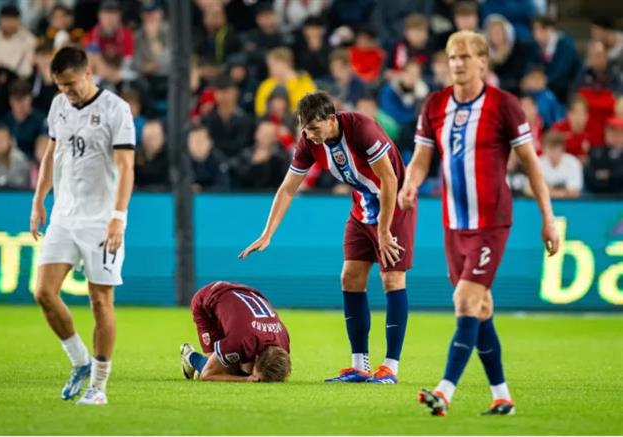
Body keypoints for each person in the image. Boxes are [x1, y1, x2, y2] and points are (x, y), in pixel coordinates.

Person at [399, 31, 559, 416]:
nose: (457, 63)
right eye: (452, 56)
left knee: (465, 300)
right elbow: (423, 158)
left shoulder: (504, 106)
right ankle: (501, 394)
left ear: (483, 63)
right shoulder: (435, 105)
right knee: (480, 307)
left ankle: (445, 391)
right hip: (454, 224)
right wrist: (409, 185)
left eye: (465, 57)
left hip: (492, 221)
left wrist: (548, 218)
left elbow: (532, 165)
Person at [240, 91, 416, 384]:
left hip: (393, 206)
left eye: (315, 128)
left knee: (392, 279)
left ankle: (390, 367)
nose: (310, 135)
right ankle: (360, 365)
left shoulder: (362, 129)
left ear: (331, 119)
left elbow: (389, 179)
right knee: (350, 277)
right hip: (361, 208)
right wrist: (267, 233)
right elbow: (287, 188)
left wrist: (384, 230)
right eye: (305, 129)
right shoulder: (309, 142)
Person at [29, 47, 135, 406]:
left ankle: (99, 386)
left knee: (100, 301)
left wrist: (118, 218)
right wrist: (39, 198)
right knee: (43, 292)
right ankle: (79, 361)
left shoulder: (116, 110)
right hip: (64, 215)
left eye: (71, 85)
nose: (67, 92)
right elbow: (51, 153)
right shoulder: (59, 106)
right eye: (60, 86)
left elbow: (126, 167)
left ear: (88, 73)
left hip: (100, 221)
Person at [180, 280, 291, 382]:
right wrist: (246, 379)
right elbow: (207, 375)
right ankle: (190, 356)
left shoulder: (283, 343)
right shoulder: (240, 341)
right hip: (208, 298)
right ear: (256, 357)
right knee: (222, 369)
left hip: (242, 294)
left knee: (241, 365)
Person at [536, 130, 583, 198]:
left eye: (555, 148)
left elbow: (574, 192)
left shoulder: (573, 163)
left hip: (566, 204)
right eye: (549, 148)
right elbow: (529, 189)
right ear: (543, 149)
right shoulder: (537, 163)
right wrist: (557, 193)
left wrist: (546, 192)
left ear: (562, 148)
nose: (552, 152)